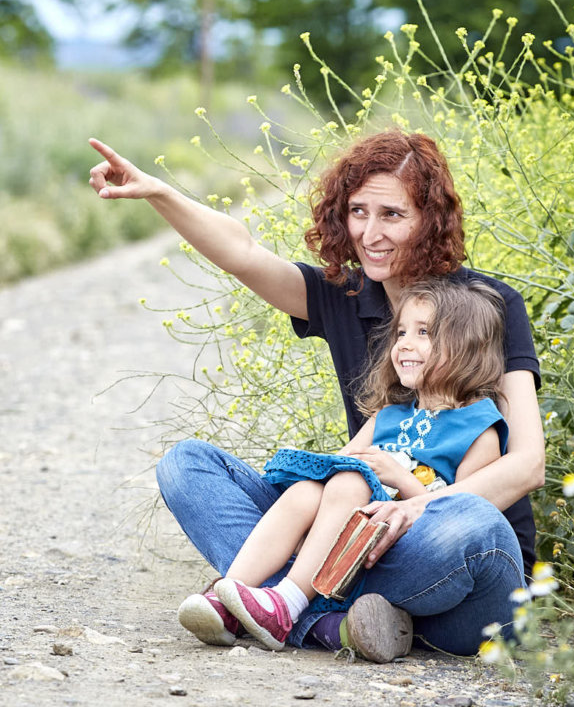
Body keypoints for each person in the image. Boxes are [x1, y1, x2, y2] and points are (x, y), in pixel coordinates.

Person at [88, 130, 545, 659]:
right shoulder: (344, 295)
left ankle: (291, 605)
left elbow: (527, 464)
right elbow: (242, 253)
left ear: (430, 219)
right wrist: (159, 193)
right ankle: (327, 617)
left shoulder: (488, 306)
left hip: (447, 554)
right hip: (355, 532)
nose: (370, 233)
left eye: (391, 215)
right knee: (185, 465)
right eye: (357, 212)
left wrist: (418, 510)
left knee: (469, 526)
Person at [194, 278, 509, 661]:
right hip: (345, 542)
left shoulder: (480, 427)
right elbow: (340, 466)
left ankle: (288, 602)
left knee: (352, 480)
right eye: (401, 332)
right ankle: (231, 597)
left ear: (468, 346)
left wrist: (399, 478)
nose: (404, 344)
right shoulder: (388, 416)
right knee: (310, 488)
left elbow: (462, 513)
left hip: (405, 549)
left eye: (423, 333)